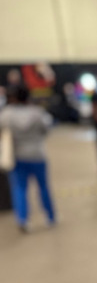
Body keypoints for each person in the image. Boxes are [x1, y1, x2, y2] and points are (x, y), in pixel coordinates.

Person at [0, 84, 56, 232]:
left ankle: (22, 219)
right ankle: (50, 217)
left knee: (19, 188)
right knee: (43, 187)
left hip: (17, 156)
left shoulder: (6, 114)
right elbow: (46, 129)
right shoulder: (37, 113)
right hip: (37, 155)